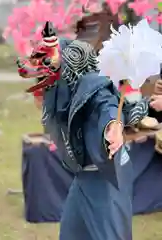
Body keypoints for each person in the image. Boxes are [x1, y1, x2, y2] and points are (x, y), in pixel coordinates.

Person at [17, 21, 149, 240]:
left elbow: (105, 106)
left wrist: (111, 127)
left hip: (107, 177)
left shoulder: (92, 87)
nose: (40, 92)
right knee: (72, 233)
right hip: (85, 176)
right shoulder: (65, 94)